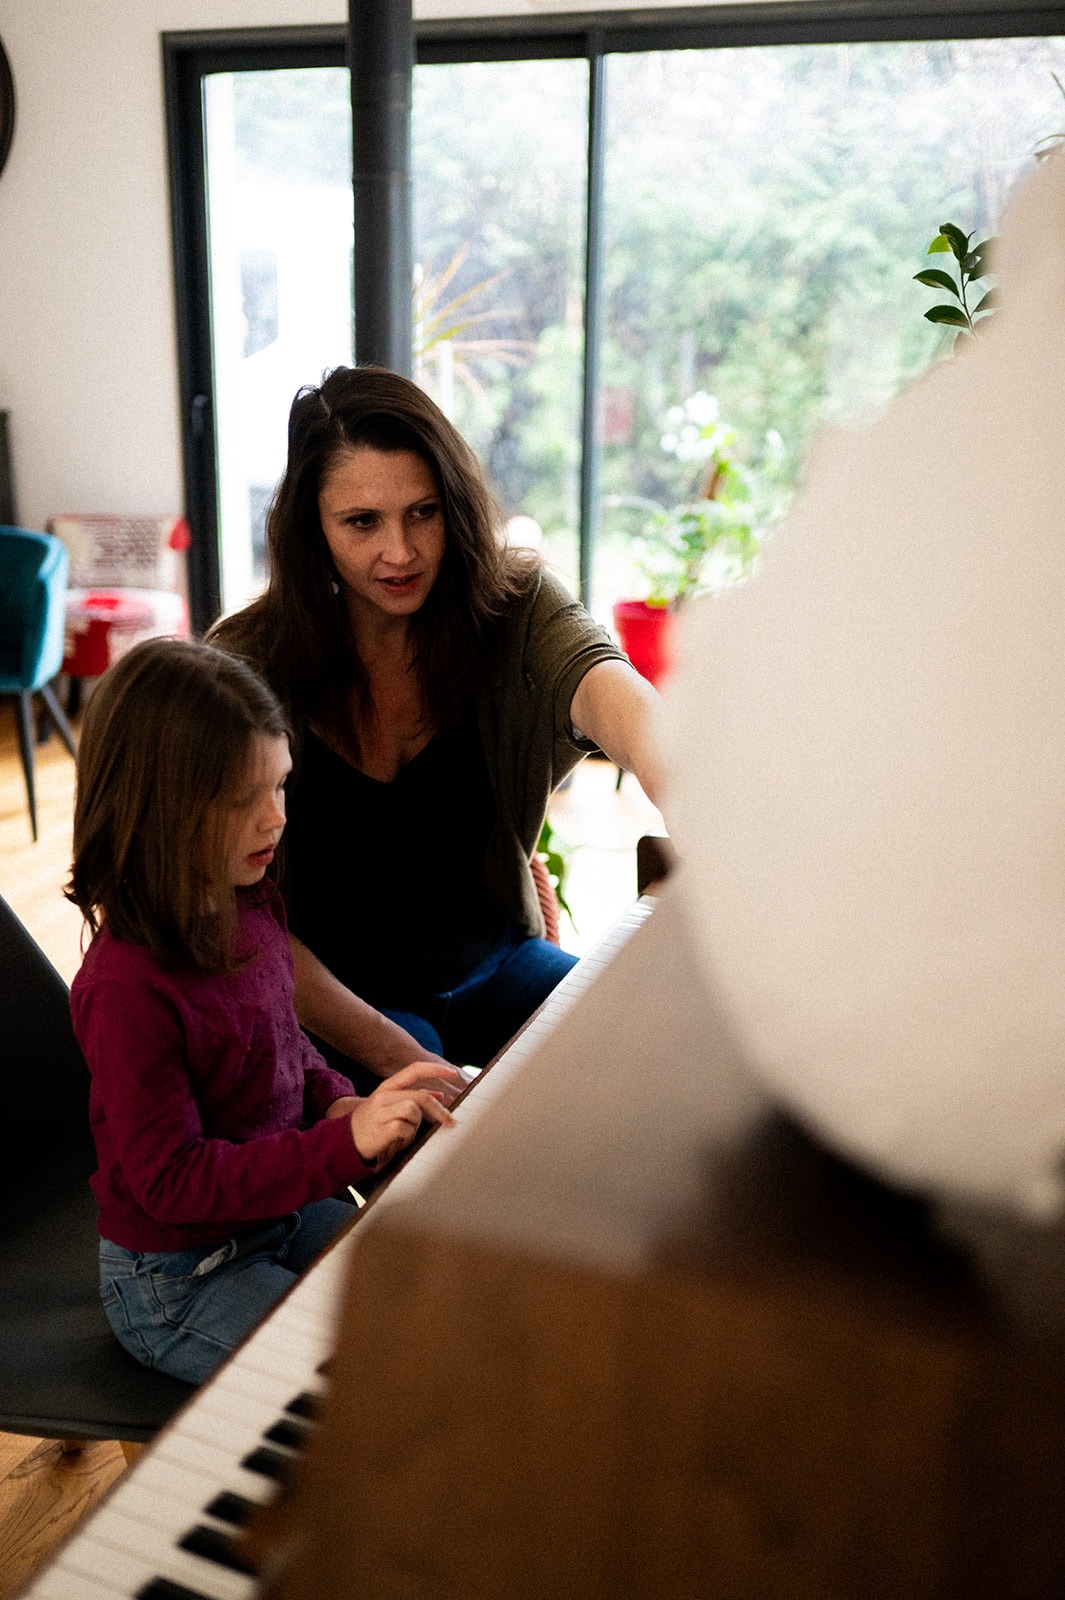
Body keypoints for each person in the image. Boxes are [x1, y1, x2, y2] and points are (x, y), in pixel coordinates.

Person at [209, 364, 662, 1080]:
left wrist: (708, 806)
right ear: (312, 529)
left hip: (497, 963)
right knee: (441, 1154)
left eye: (423, 511)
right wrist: (416, 1063)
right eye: (362, 522)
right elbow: (234, 914)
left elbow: (617, 700)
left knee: (635, 1052)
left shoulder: (513, 605)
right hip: (335, 999)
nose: (402, 551)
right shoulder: (242, 664)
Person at [65, 637, 463, 1385]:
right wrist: (339, 1152)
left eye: (279, 787)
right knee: (367, 1381)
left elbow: (284, 1048)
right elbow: (172, 1183)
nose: (273, 818)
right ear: (159, 806)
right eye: (241, 799)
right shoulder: (124, 990)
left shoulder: (252, 907)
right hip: (178, 1277)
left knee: (421, 1294)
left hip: (277, 1214)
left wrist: (339, 1105)